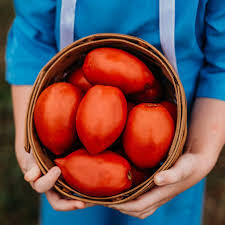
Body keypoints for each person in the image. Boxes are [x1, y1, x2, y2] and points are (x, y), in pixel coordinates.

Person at [6, 0, 225, 225]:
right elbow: (32, 37)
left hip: (180, 139)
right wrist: (31, 148)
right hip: (74, 165)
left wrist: (201, 153)